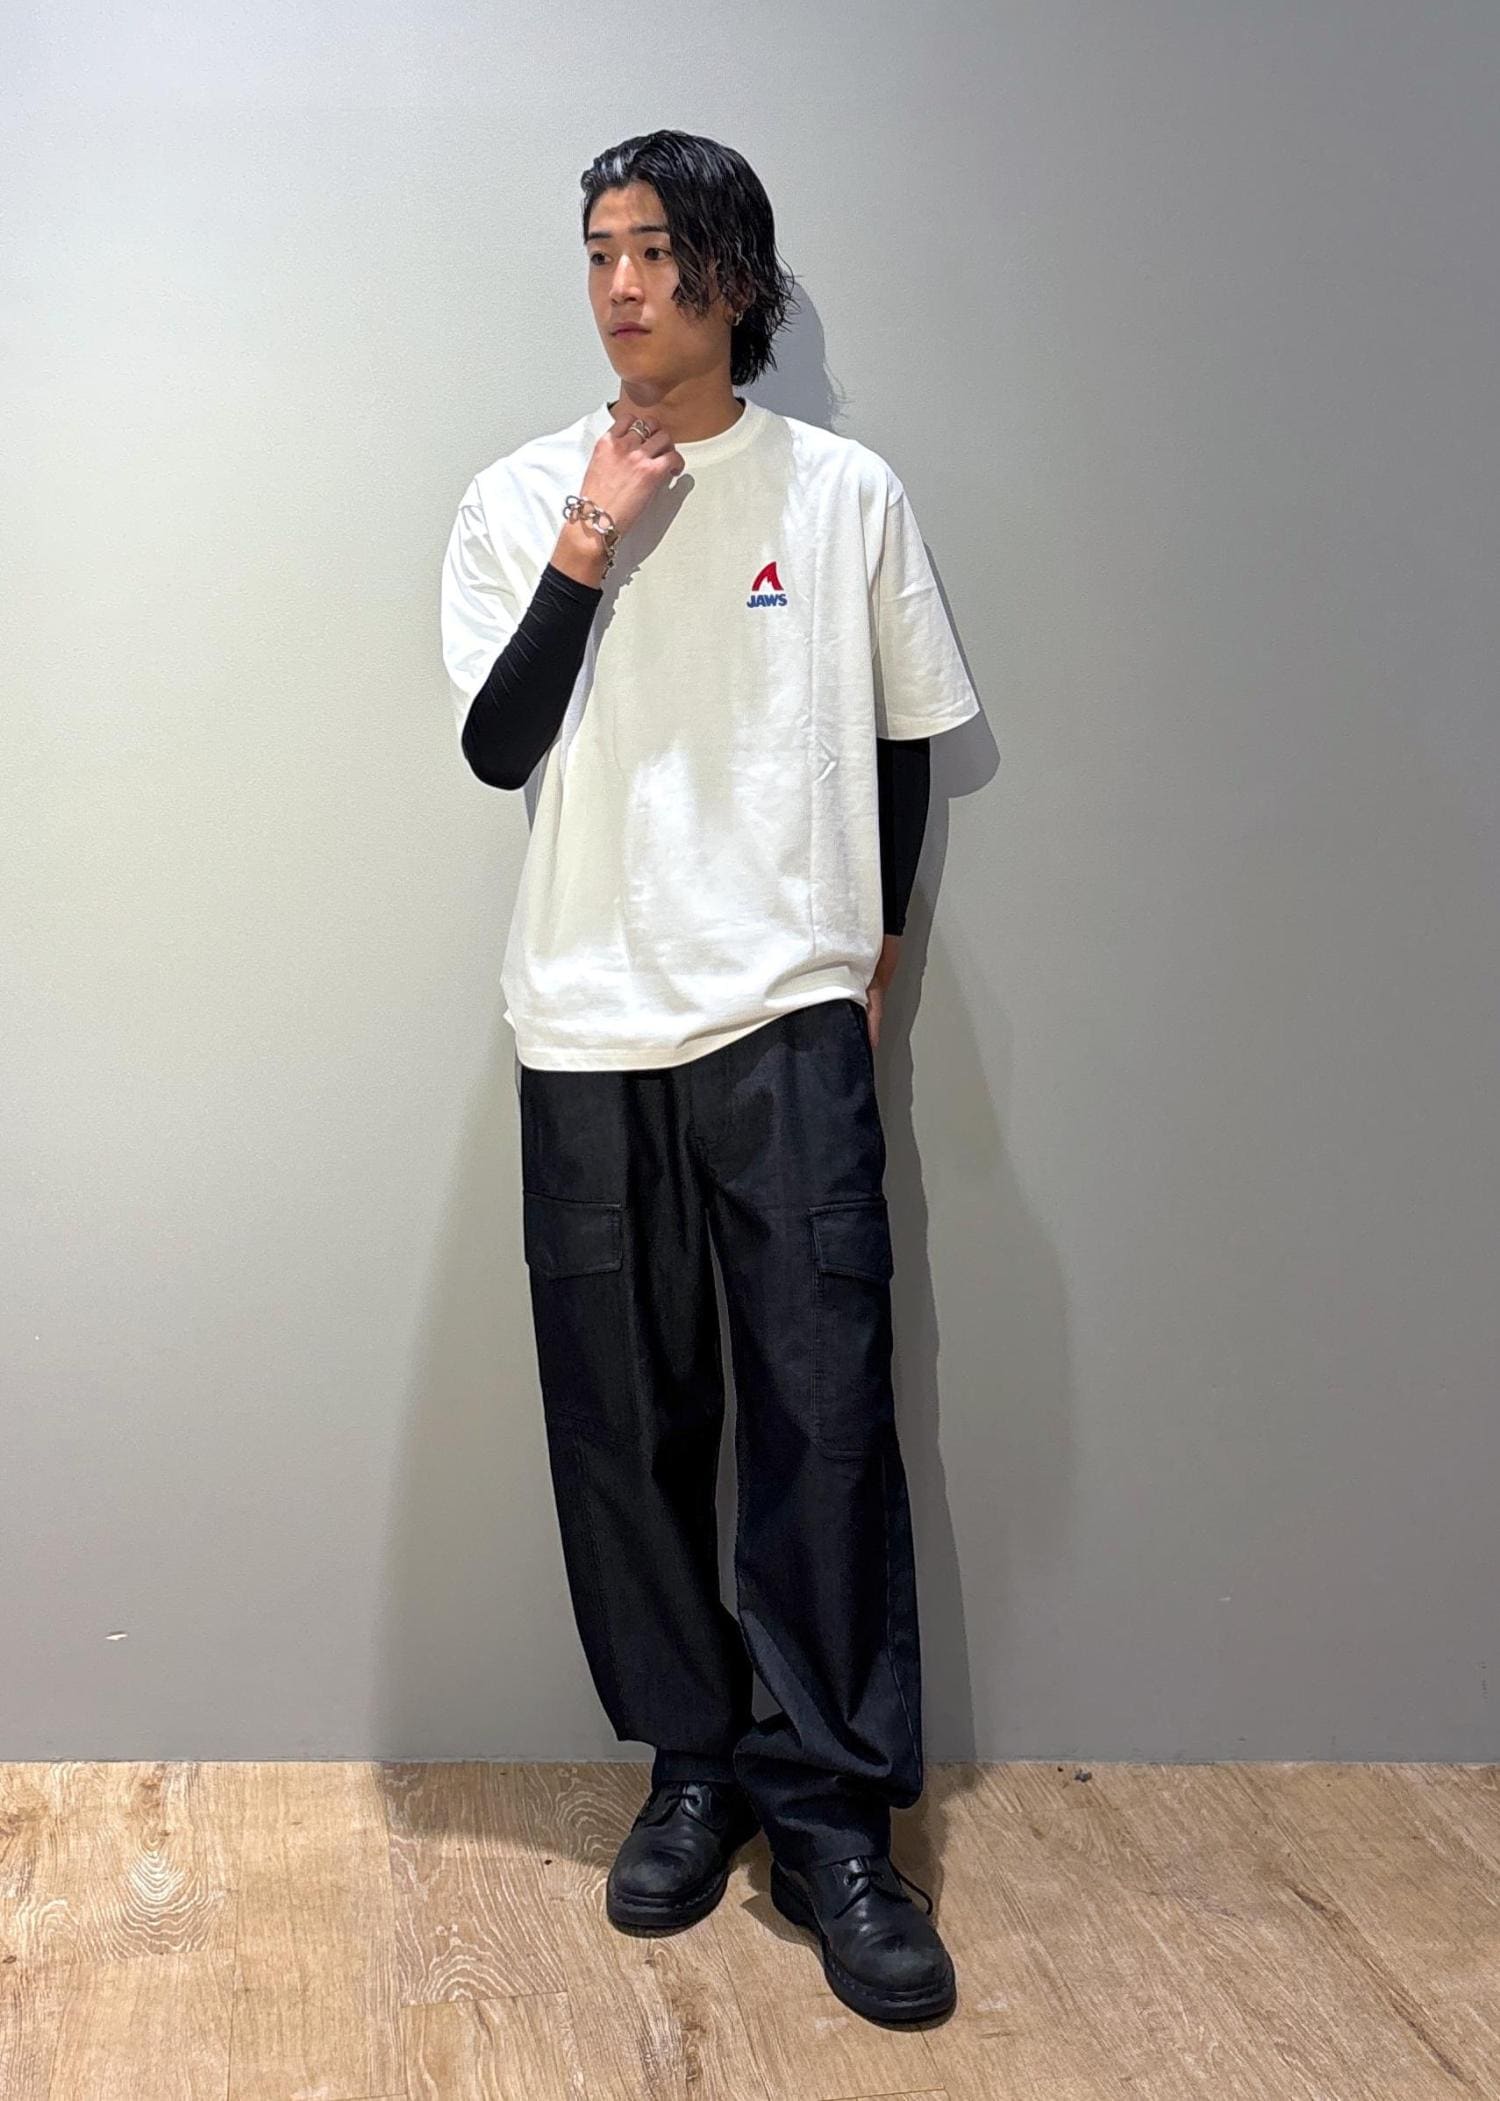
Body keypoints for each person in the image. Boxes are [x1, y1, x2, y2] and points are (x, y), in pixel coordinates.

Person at [439, 129, 979, 2027]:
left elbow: (904, 736)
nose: (620, 284)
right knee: (626, 1418)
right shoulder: (520, 494)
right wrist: (589, 537)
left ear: (735, 274)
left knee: (822, 1417)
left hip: (785, 1020)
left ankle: (834, 1816)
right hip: (587, 1021)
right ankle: (689, 1764)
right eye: (599, 250)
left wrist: (875, 944)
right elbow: (499, 743)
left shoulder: (842, 494)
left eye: (656, 249)